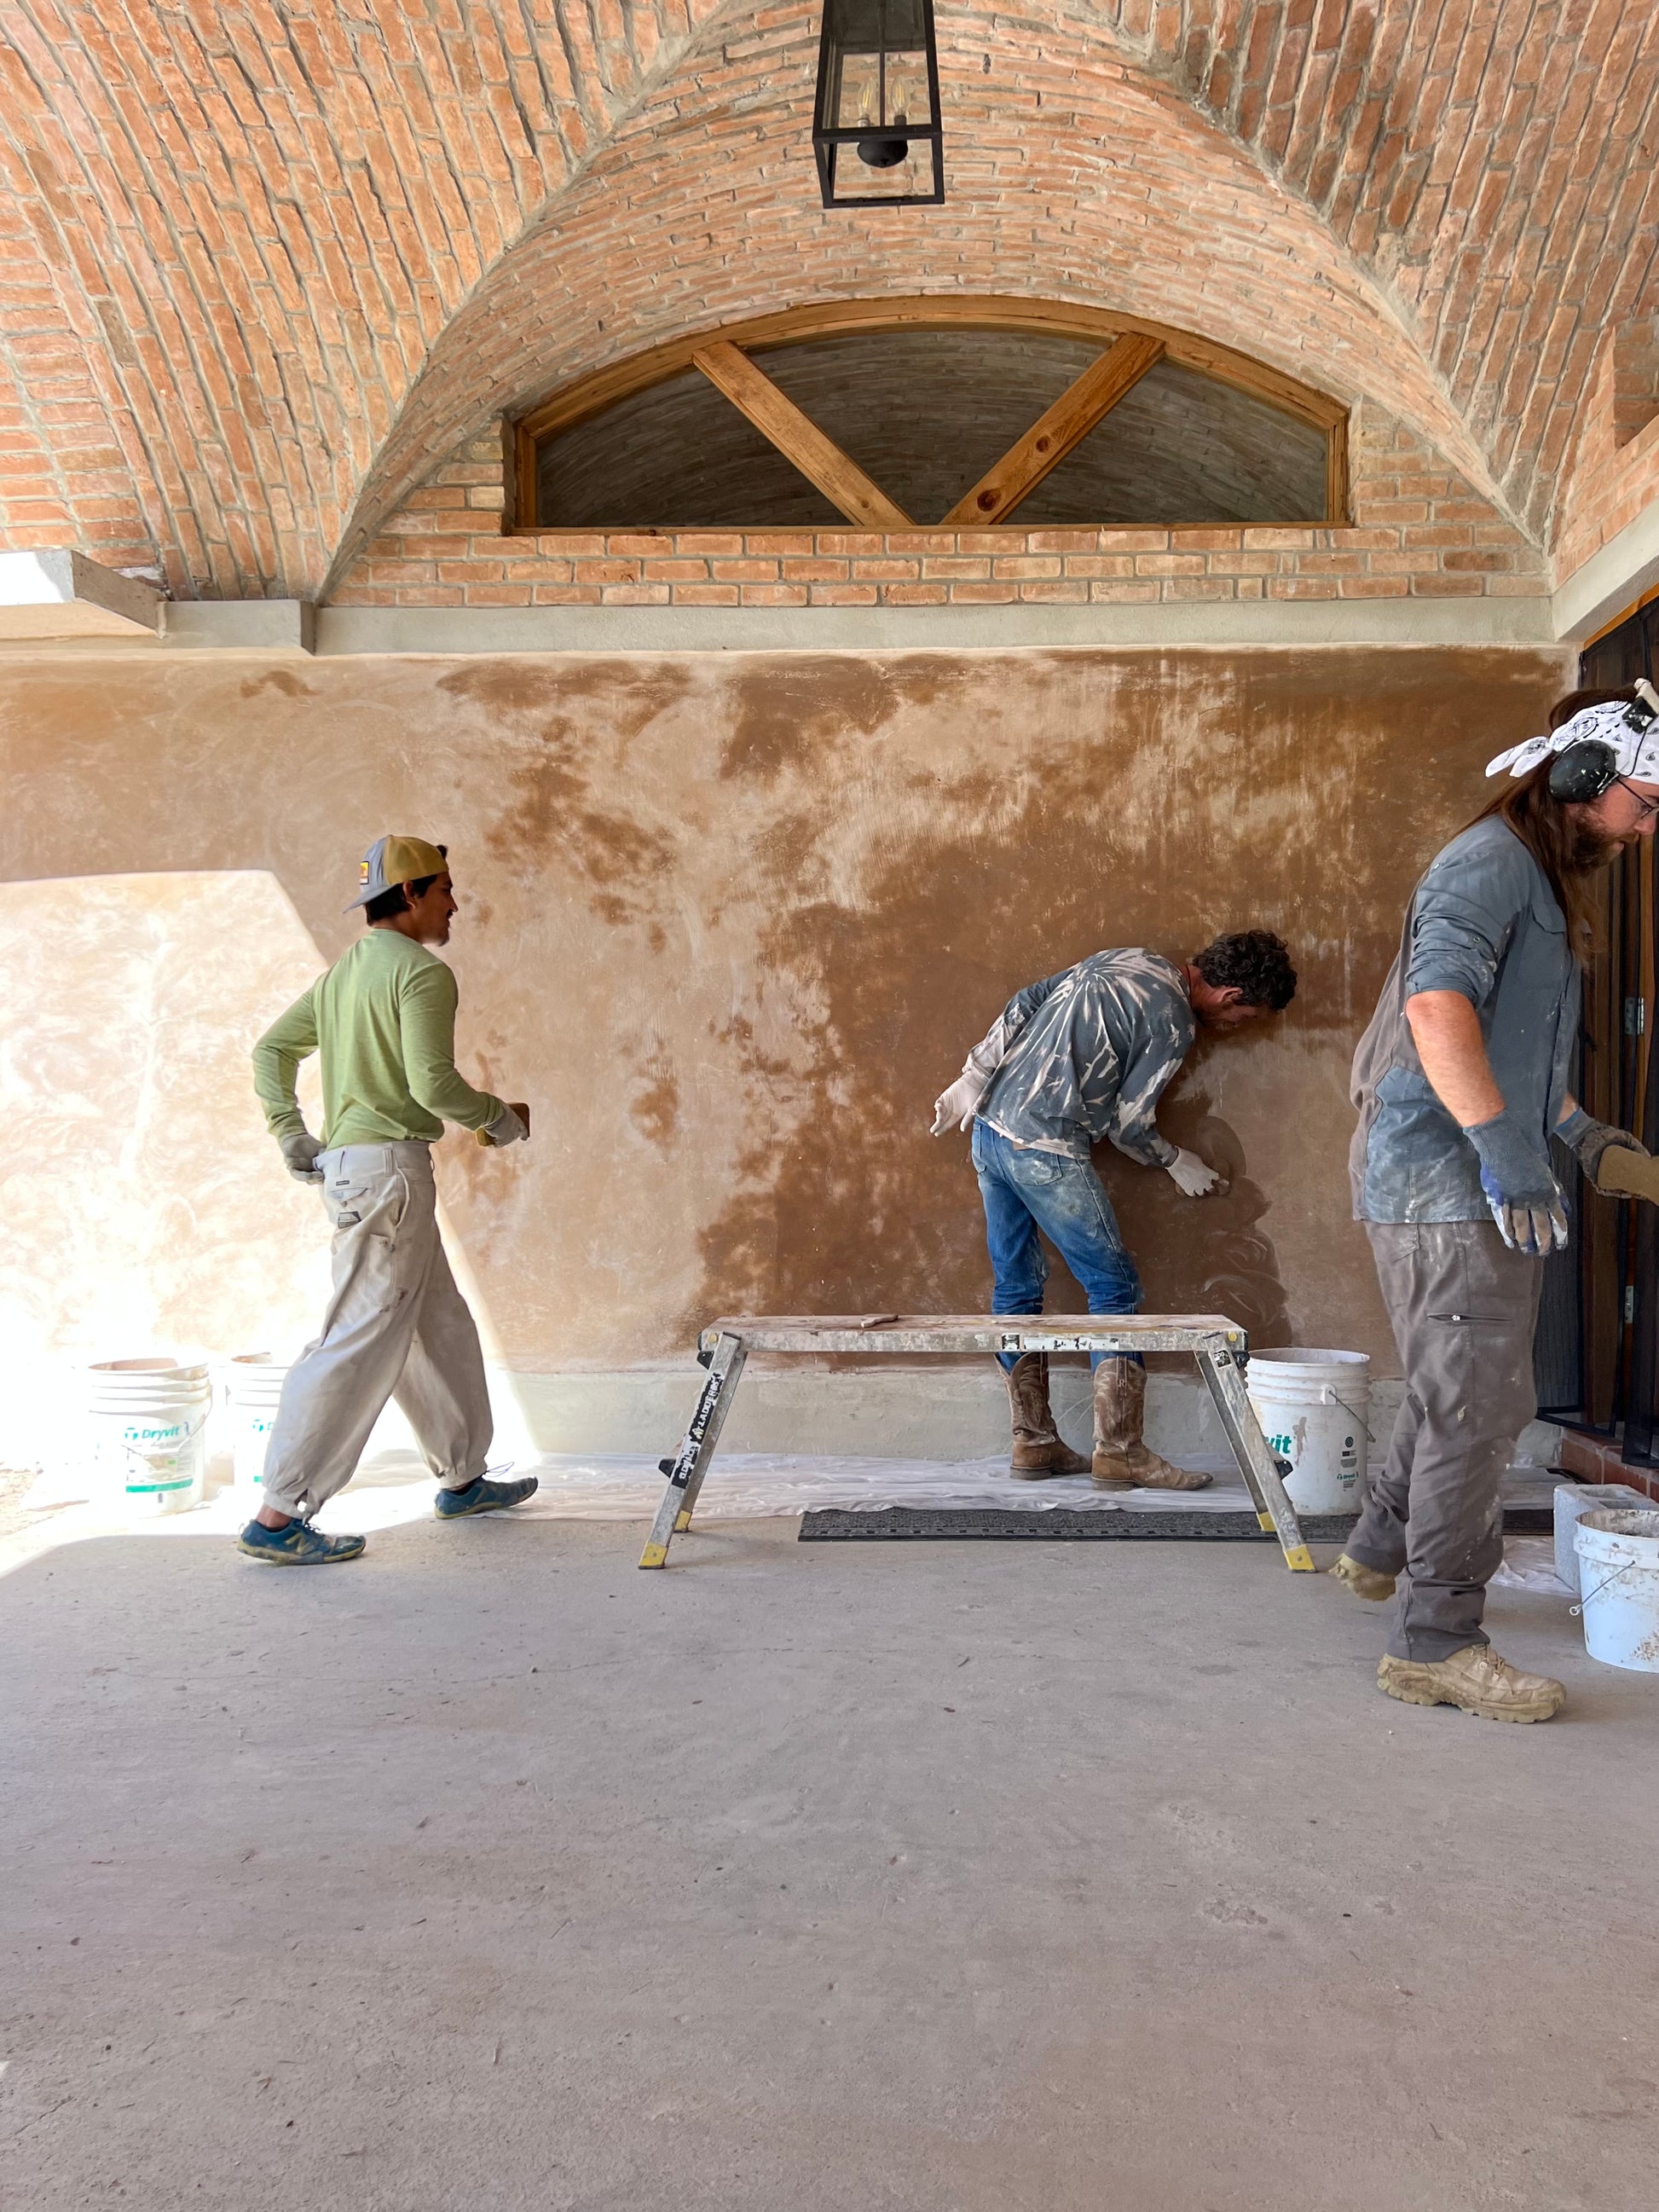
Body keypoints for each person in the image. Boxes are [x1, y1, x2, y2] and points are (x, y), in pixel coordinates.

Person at [1342, 683, 1659, 1721]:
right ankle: (1435, 1641)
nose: (1645, 828)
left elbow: (1505, 1040)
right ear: (1583, 782)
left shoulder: (1532, 873)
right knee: (1478, 1410)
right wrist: (1501, 1150)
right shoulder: (1485, 865)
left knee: (1455, 1386)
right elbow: (1435, 1008)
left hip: (1469, 1170)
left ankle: (1377, 1549)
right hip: (1446, 1184)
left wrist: (1570, 1131)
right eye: (1643, 805)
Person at [241, 836, 536, 1564]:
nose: (454, 903)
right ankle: (277, 1516)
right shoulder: (422, 974)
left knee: (437, 1325)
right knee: (358, 1337)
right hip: (391, 1177)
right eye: (444, 890)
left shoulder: (344, 975)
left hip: (357, 1172)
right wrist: (501, 1119)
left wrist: (291, 1134)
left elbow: (270, 1051)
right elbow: (433, 1086)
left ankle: (462, 1478)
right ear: (410, 894)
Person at [932, 932, 1298, 1488]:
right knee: (1114, 1290)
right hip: (1045, 1148)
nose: (1235, 1025)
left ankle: (1033, 1445)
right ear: (1231, 995)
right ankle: (1121, 1452)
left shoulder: (1126, 957)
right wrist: (1176, 1159)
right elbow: (1128, 1126)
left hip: (987, 1134)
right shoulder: (1173, 1021)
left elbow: (1025, 999)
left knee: (1016, 1289)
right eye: (1245, 1016)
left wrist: (975, 1074)